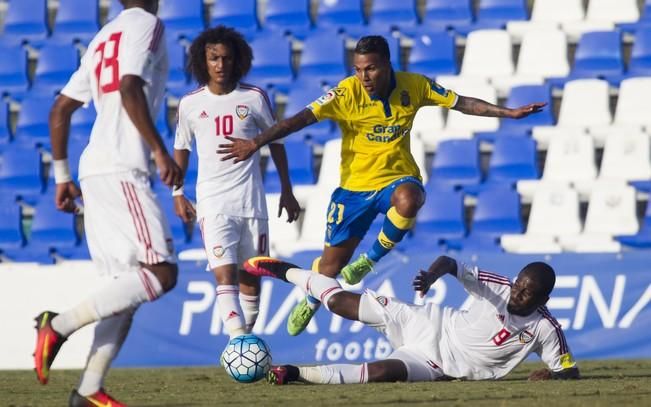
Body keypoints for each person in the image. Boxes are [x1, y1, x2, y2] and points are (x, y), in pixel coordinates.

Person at [218, 35, 547, 336]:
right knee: (330, 268)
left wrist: (509, 113)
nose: (364, 77)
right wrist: (256, 142)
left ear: (388, 65)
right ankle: (312, 294)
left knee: (410, 198)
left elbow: (461, 102)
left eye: (371, 68)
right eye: (359, 69)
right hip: (353, 191)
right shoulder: (346, 93)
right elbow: (299, 119)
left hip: (397, 180)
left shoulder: (414, 86)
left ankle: (370, 259)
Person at [35, 1, 181, 405]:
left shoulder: (103, 36)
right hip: (123, 166)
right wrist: (158, 150)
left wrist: (62, 177)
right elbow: (130, 85)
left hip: (93, 169)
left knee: (128, 287)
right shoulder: (148, 24)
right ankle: (57, 325)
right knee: (163, 273)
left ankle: (88, 390)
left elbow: (60, 108)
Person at [243, 256, 580, 384]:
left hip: (436, 365)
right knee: (339, 303)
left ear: (543, 299)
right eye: (519, 285)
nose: (517, 294)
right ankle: (283, 270)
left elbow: (569, 371)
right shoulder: (497, 285)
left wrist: (551, 377)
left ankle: (293, 373)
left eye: (527, 293)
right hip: (426, 323)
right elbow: (452, 262)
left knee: (378, 373)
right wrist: (433, 276)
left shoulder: (545, 329)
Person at [172, 26, 300, 338]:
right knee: (224, 275)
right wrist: (177, 192)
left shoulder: (254, 98)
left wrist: (286, 189)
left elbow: (277, 142)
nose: (220, 64)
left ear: (237, 60)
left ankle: (246, 336)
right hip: (213, 203)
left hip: (251, 202)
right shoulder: (189, 104)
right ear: (203, 61)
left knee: (251, 277)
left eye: (226, 58)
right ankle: (238, 342)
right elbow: (181, 148)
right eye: (213, 58)